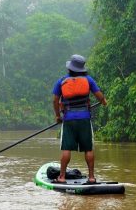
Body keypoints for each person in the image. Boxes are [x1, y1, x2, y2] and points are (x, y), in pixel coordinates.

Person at [51, 54, 107, 184]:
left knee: (66, 148)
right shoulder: (89, 80)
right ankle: (92, 177)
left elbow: (55, 100)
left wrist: (58, 116)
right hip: (84, 119)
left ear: (70, 68)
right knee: (88, 148)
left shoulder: (61, 81)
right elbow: (99, 96)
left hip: (69, 119)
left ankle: (62, 177)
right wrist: (103, 101)